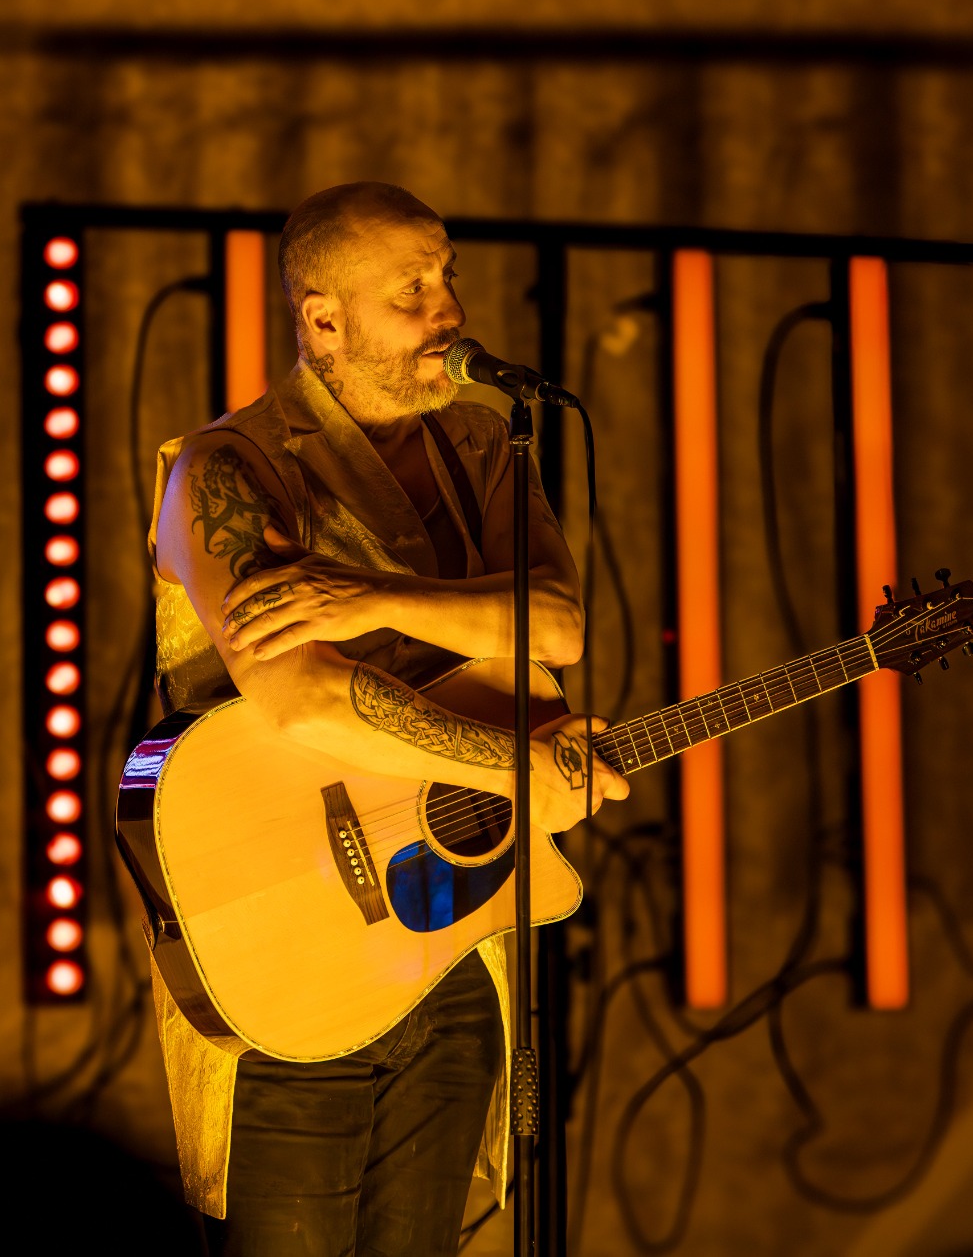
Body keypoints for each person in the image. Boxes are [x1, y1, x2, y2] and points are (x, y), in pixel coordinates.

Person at [145, 181, 629, 1256]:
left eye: (445, 276)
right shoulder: (226, 467)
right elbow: (299, 693)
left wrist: (367, 599)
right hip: (289, 934)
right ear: (323, 320)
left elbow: (555, 625)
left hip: (449, 934)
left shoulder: (480, 444)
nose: (446, 307)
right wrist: (514, 769)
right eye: (410, 289)